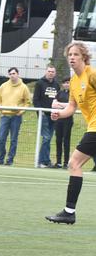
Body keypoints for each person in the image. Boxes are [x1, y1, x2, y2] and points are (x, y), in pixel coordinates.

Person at [46, 42, 96, 224]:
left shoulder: (92, 74)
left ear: (84, 57)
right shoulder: (74, 81)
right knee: (75, 164)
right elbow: (72, 107)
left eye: (76, 54)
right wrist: (58, 113)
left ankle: (69, 212)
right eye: (70, 55)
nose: (72, 57)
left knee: (74, 162)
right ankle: (69, 212)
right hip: (92, 127)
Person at [0, 67, 31, 166]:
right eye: (10, 74)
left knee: (13, 139)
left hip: (16, 117)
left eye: (14, 73)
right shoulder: (3, 86)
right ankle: (0, 158)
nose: (12, 75)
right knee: (1, 138)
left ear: (18, 74)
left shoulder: (23, 87)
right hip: (5, 116)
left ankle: (10, 159)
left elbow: (27, 102)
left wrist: (21, 112)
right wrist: (0, 110)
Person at [33, 65, 59, 168]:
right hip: (43, 115)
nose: (51, 73)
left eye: (52, 71)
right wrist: (41, 112)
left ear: (55, 73)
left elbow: (58, 99)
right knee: (46, 138)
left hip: (53, 115)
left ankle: (46, 161)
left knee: (48, 139)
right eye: (49, 71)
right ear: (46, 71)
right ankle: (41, 161)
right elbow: (35, 99)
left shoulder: (57, 85)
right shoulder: (39, 83)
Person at [53, 78, 73, 169]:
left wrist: (60, 104)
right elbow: (53, 105)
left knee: (66, 141)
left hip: (68, 120)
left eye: (68, 83)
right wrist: (64, 105)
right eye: (64, 83)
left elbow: (71, 105)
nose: (66, 84)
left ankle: (66, 162)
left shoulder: (72, 94)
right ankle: (58, 162)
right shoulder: (59, 93)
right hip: (59, 119)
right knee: (58, 140)